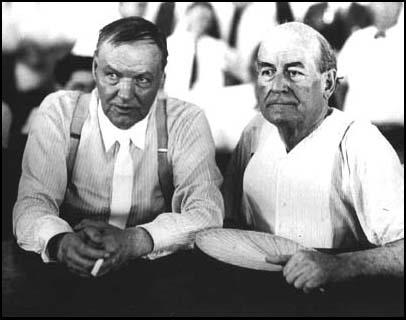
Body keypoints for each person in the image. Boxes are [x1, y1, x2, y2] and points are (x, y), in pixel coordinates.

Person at [13, 17, 224, 278]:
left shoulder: (185, 121)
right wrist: (61, 242)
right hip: (68, 273)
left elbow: (207, 213)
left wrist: (134, 241)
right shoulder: (59, 112)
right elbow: (32, 204)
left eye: (143, 79)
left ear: (162, 79)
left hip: (155, 276)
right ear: (94, 69)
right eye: (112, 75)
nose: (125, 93)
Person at [222, 22, 404, 293]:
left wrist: (341, 266)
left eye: (294, 72)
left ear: (328, 82)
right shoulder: (255, 130)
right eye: (268, 71)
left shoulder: (359, 140)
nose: (278, 86)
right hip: (257, 292)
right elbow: (229, 221)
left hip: (334, 298)